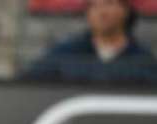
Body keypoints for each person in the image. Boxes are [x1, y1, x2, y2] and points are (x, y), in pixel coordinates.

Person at [22, 0, 157, 84]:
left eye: (109, 3)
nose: (102, 12)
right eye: (94, 5)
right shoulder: (66, 54)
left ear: (126, 10)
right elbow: (27, 82)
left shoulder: (142, 59)